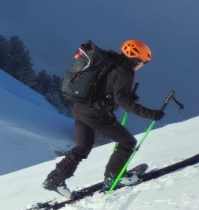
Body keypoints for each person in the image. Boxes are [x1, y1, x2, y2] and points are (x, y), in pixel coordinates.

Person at [43, 39, 166, 196]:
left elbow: (109, 89)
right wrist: (151, 114)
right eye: (144, 62)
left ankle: (54, 180)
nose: (143, 65)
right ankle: (113, 177)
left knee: (83, 147)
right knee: (127, 142)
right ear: (137, 59)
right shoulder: (124, 72)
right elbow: (123, 100)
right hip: (95, 113)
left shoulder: (111, 62)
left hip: (80, 107)